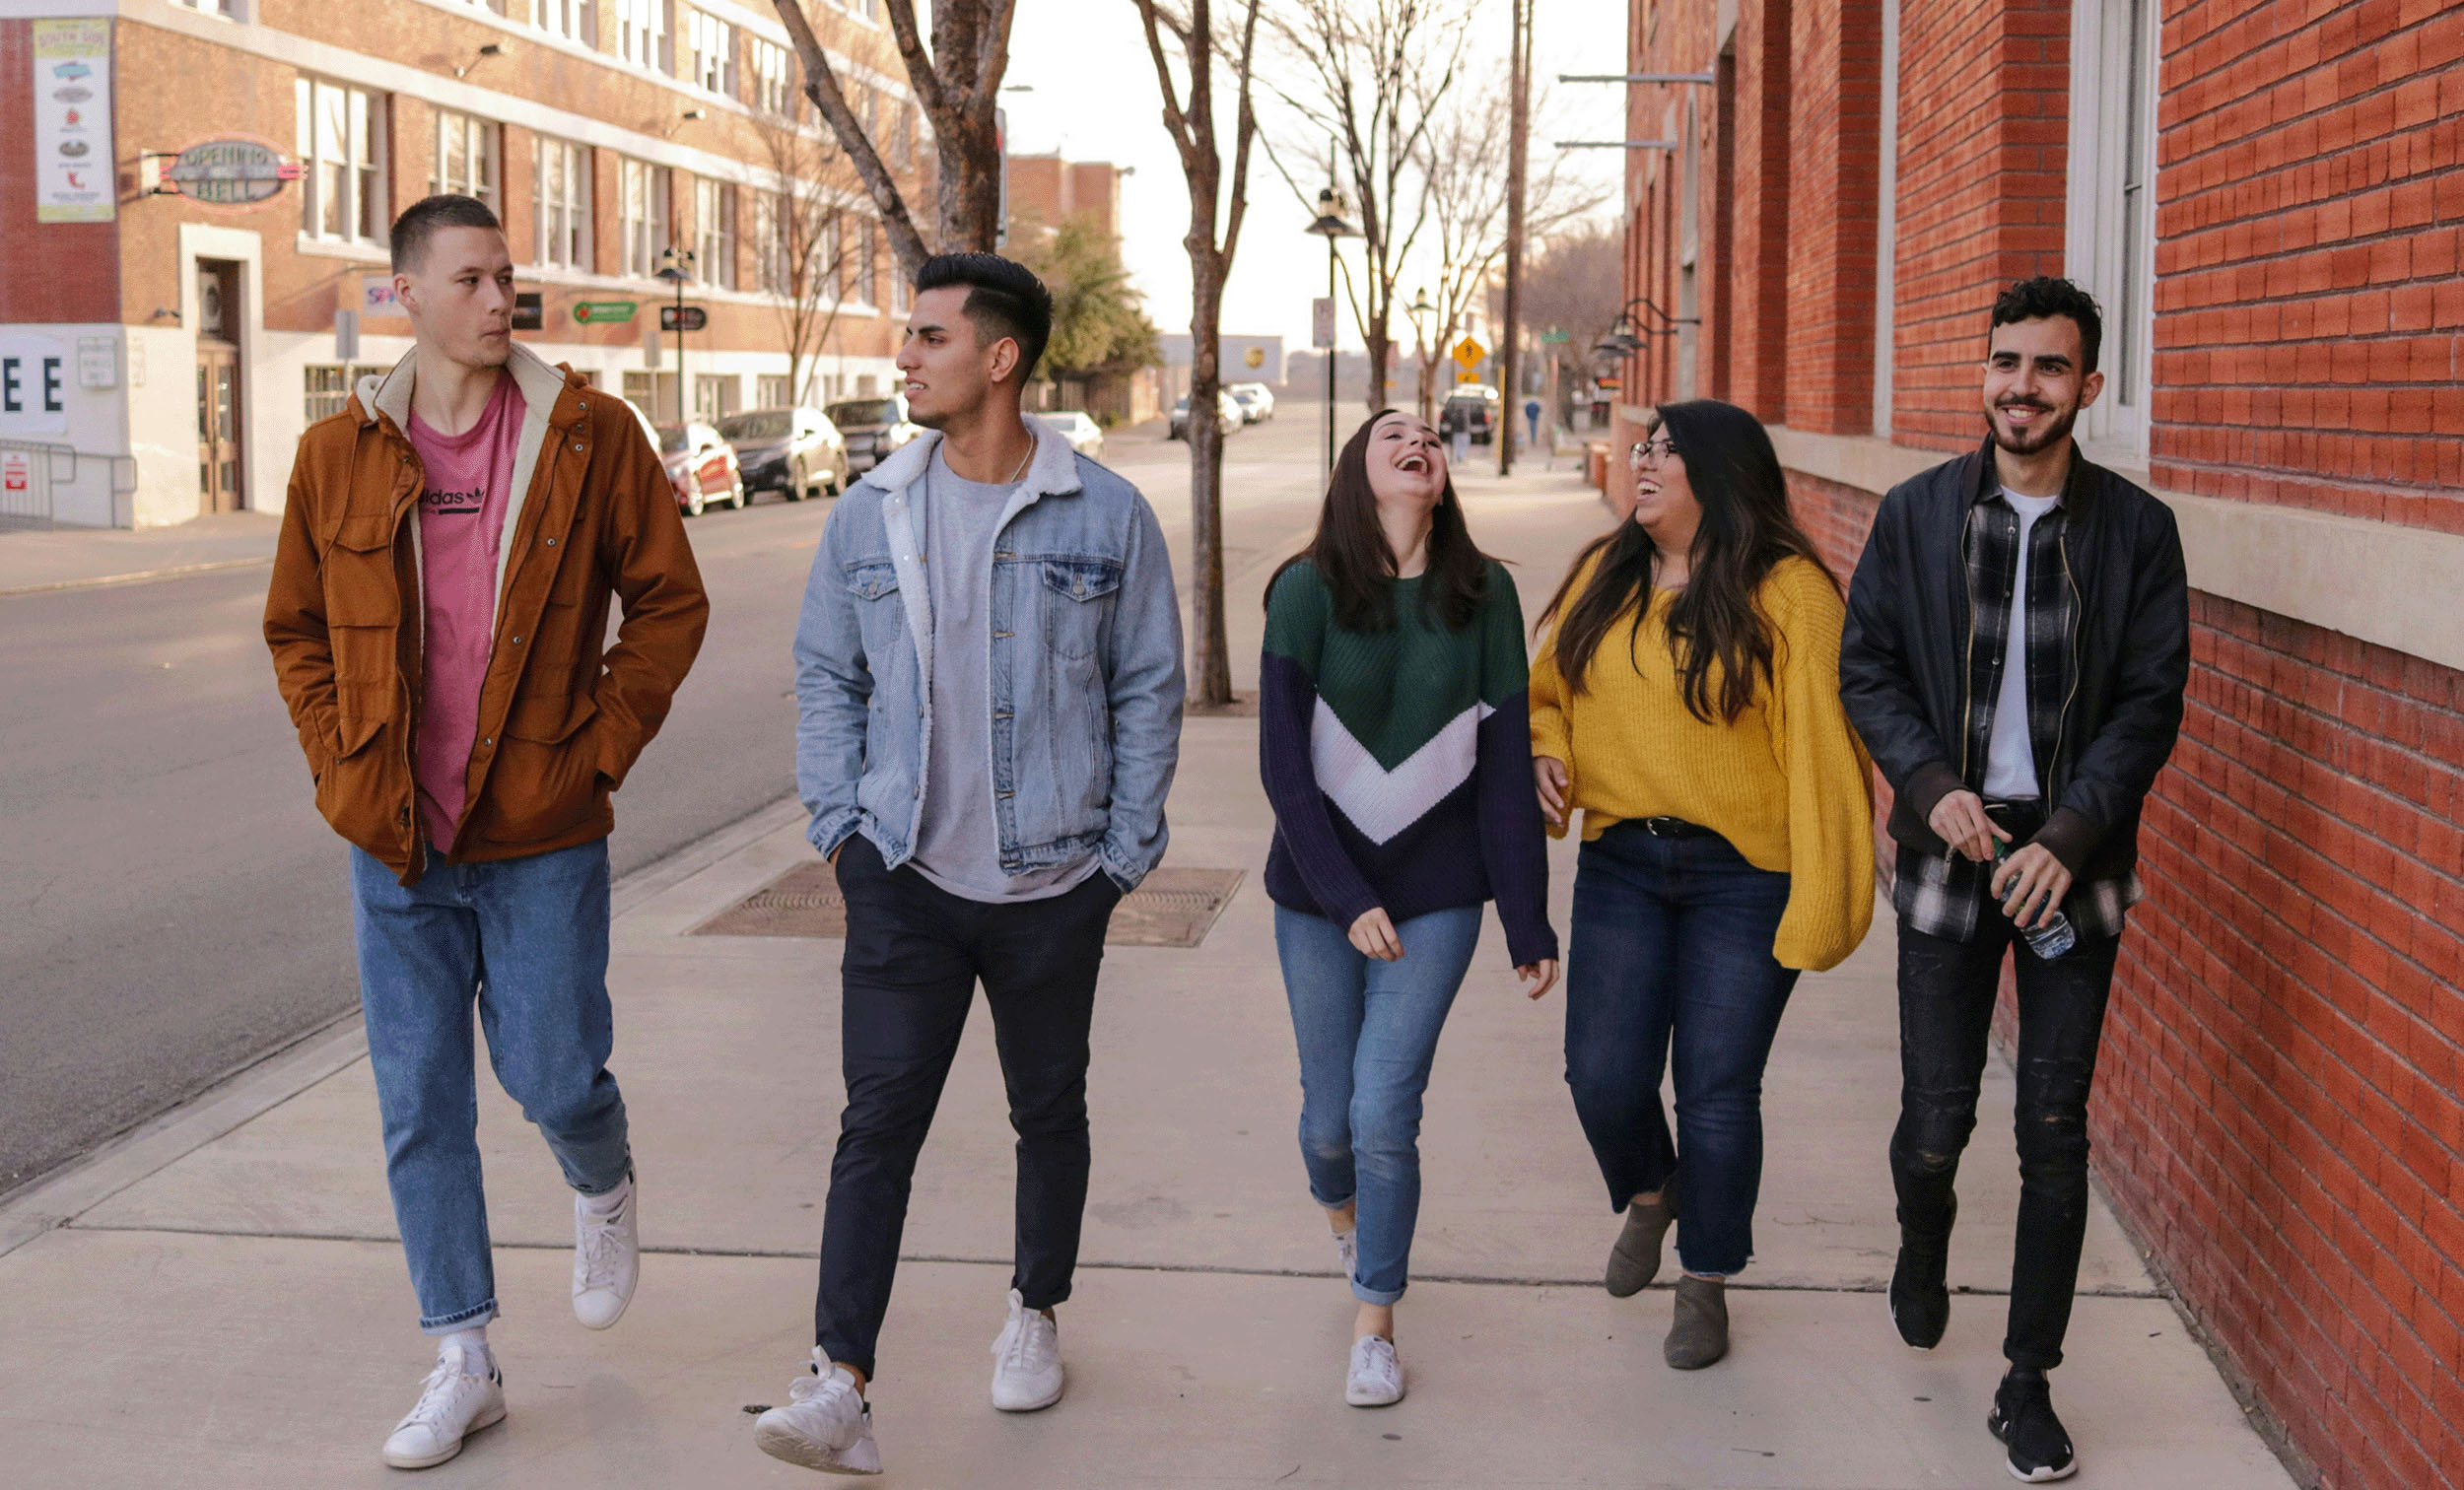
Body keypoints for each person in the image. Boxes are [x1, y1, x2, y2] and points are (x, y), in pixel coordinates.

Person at [262, 195, 708, 1469]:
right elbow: (296, 629)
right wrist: (339, 758)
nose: (498, 299)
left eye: (508, 277)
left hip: (542, 833)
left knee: (555, 1073)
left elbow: (670, 605)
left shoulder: (586, 435)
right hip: (396, 841)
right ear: (406, 292)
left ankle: (602, 1180)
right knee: (418, 1102)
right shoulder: (336, 454)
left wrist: (599, 747)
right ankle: (463, 1354)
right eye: (470, 279)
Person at [755, 252, 1185, 1475]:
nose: (905, 358)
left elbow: (1148, 685)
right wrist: (840, 831)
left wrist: (1120, 858)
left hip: (1055, 884)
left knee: (1045, 1109)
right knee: (876, 1122)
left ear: (998, 359)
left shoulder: (1105, 515)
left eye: (929, 338)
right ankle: (840, 1383)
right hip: (901, 877)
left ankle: (1034, 1312)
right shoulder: (868, 508)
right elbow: (829, 675)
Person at [1839, 276, 2187, 1484]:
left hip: (2067, 862)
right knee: (1934, 1120)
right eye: (2004, 363)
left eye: (2046, 368)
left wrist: (2072, 835)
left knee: (2053, 1131)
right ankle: (1919, 1240)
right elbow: (1868, 668)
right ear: (1982, 372)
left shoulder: (2136, 531)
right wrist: (1927, 782)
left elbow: (2149, 704)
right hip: (1950, 845)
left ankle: (2026, 1381)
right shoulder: (1918, 515)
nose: (2019, 387)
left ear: (2086, 388)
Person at [1529, 399, 1875, 1372]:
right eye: (1643, 445)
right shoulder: (1605, 574)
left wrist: (1826, 898)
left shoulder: (1790, 592)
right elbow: (1545, 691)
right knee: (1601, 1075)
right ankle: (1651, 1194)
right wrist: (1543, 753)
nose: (1643, 461)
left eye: (1667, 452)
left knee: (1717, 1091)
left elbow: (1824, 755)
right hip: (1621, 862)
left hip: (1744, 876)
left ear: (1718, 476)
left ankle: (1707, 1279)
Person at [1260, 409, 1560, 1406]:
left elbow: (1507, 773)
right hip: (1317, 895)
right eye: (1391, 432)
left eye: (1430, 434)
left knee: (1384, 1112)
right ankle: (1347, 1224)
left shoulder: (1485, 596)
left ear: (1442, 474)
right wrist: (1345, 899)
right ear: (1358, 468)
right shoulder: (1303, 592)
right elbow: (1283, 773)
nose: (1417, 439)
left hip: (1436, 896)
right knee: (1325, 1126)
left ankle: (1374, 1318)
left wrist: (1526, 919)